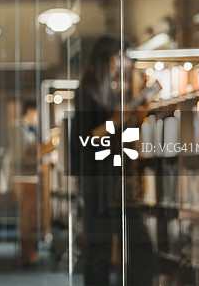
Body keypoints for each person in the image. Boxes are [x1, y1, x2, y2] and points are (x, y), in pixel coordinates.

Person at [69, 35, 154, 286]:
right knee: (101, 251)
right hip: (99, 180)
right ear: (107, 59)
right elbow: (90, 136)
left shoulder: (106, 90)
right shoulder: (88, 91)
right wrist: (120, 116)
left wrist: (133, 116)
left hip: (112, 180)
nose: (123, 63)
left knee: (120, 249)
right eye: (119, 56)